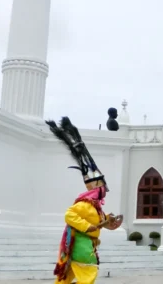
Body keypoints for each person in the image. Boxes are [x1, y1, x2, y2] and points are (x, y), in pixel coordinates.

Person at [47, 117, 124, 284]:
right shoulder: (84, 204)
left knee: (67, 276)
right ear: (98, 188)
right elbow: (69, 215)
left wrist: (109, 220)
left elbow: (99, 222)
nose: (106, 191)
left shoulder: (95, 207)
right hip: (81, 243)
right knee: (89, 270)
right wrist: (87, 226)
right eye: (103, 187)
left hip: (86, 243)